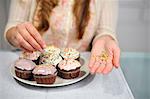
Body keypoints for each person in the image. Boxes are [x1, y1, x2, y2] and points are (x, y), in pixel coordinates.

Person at [4, 0, 120, 74]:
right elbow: (12, 27)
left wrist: (105, 38)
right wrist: (16, 34)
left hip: (84, 71)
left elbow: (105, 30)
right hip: (36, 64)